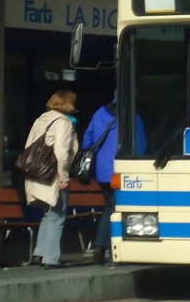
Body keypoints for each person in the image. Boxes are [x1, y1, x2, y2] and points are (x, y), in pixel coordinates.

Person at [82, 96, 147, 265]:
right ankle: (113, 251)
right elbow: (140, 144)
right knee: (117, 209)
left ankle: (99, 246)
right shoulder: (132, 116)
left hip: (102, 171)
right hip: (121, 170)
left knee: (109, 206)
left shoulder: (99, 113)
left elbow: (88, 139)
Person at [23, 90, 79, 268]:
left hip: (36, 173)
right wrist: (64, 176)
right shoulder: (63, 123)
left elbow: (29, 146)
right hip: (52, 175)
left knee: (47, 215)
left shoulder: (41, 119)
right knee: (57, 216)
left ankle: (40, 254)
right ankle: (51, 259)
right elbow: (62, 152)